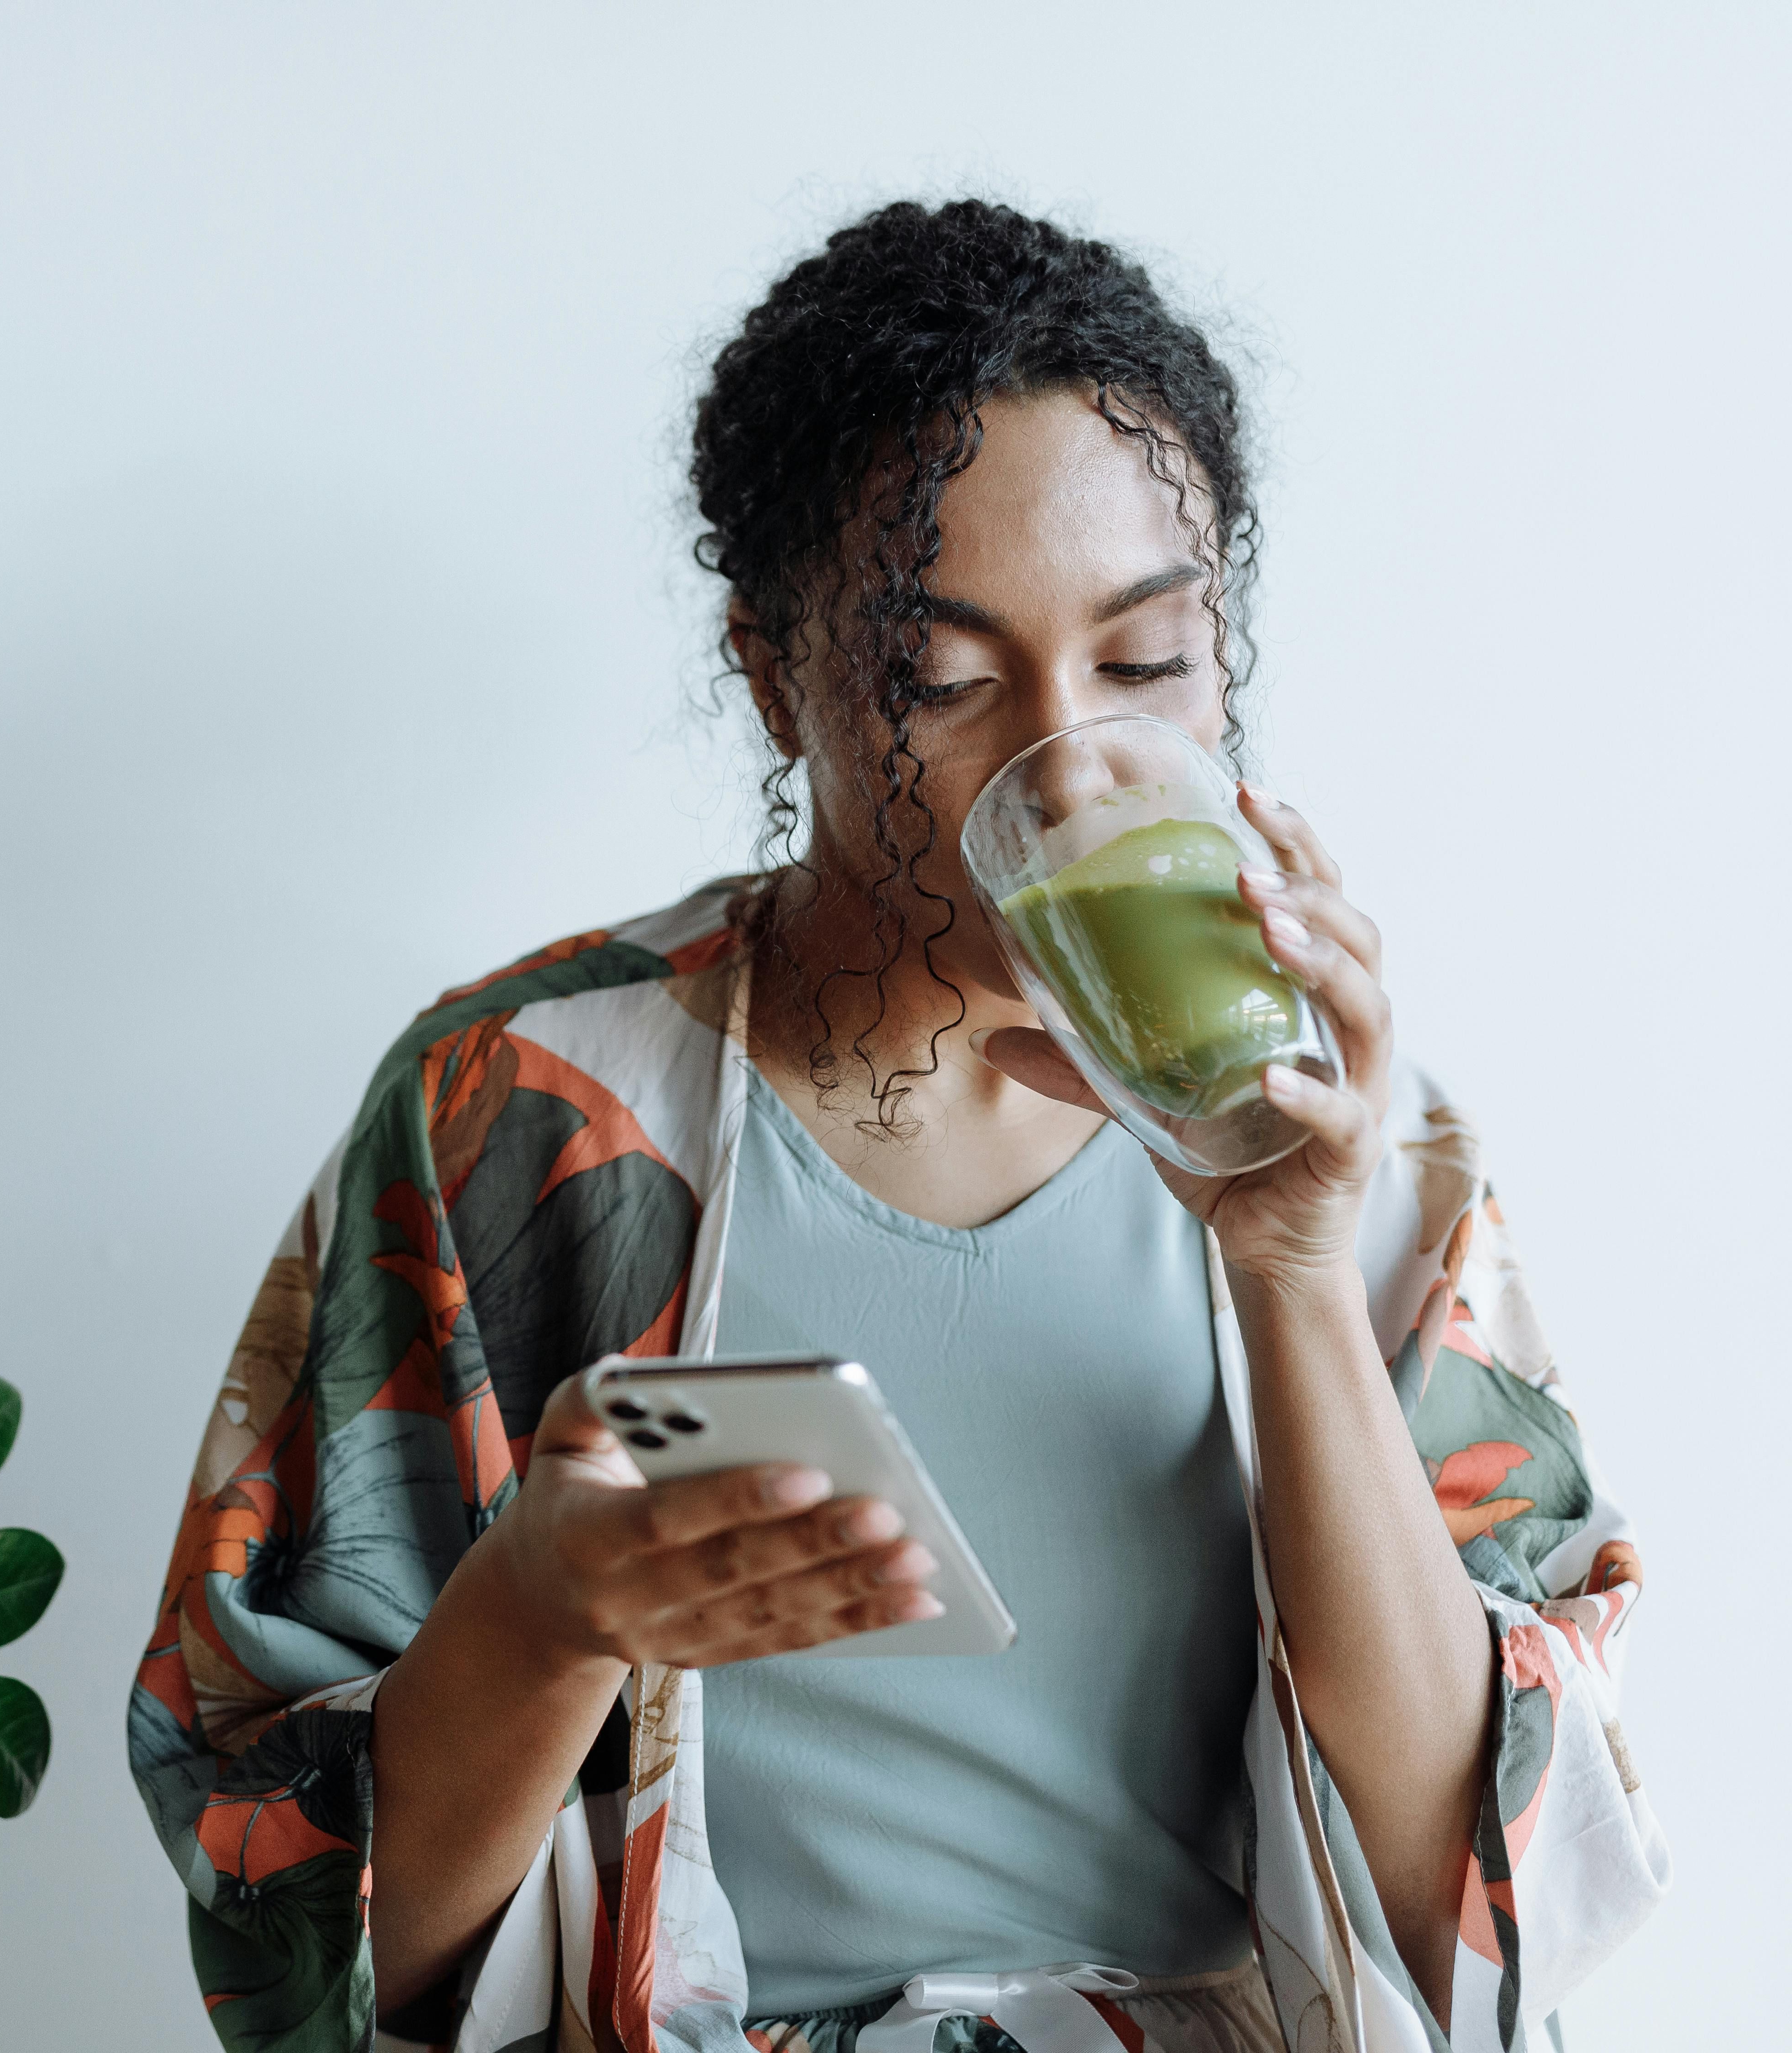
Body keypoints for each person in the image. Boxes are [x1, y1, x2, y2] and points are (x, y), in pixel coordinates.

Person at [129, 200, 1665, 2053]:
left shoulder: (1360, 1136)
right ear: (775, 676)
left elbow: (1488, 1896)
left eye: (1152, 656)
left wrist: (1288, 1263)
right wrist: (540, 1615)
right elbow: (291, 1915)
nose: (1074, 752)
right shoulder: (515, 1107)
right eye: (940, 682)